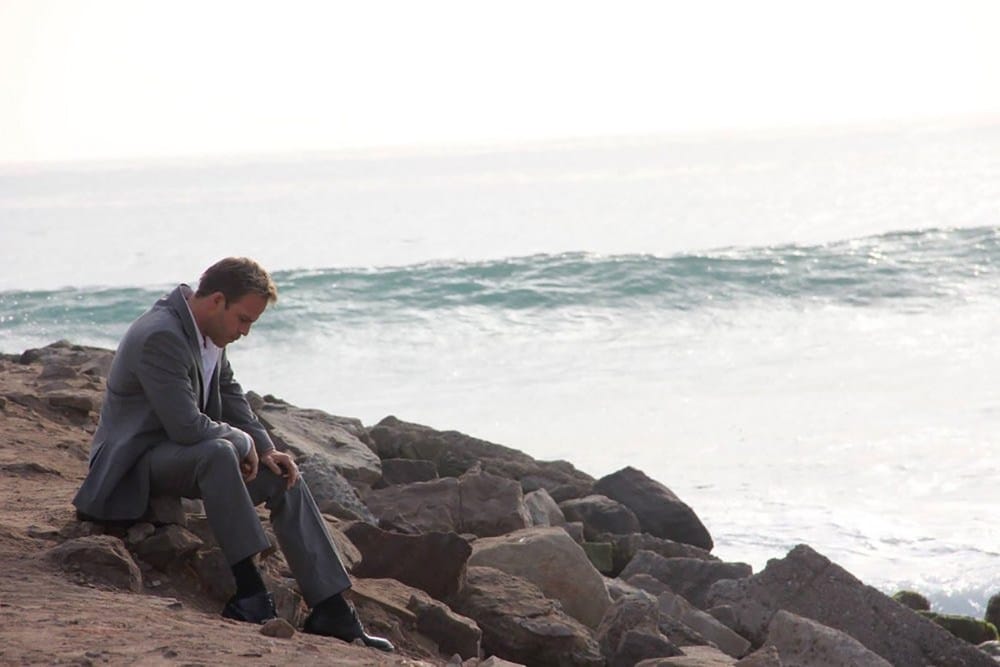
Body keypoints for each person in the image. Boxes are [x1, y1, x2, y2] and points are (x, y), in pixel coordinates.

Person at [73, 257, 392, 652]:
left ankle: (331, 609)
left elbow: (231, 397)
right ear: (217, 300)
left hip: (184, 457)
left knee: (283, 474)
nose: (245, 332)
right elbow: (187, 426)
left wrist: (267, 449)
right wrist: (242, 442)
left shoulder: (207, 333)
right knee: (220, 451)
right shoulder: (162, 336)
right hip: (133, 465)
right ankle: (250, 593)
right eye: (243, 320)